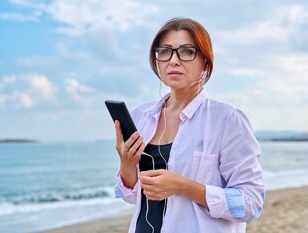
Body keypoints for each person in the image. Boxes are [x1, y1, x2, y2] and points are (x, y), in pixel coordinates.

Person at [113, 17, 264, 233]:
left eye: (187, 51)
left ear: (205, 60)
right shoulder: (141, 116)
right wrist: (127, 167)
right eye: (165, 51)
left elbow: (251, 202)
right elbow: (133, 197)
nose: (173, 60)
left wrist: (184, 187)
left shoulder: (227, 119)